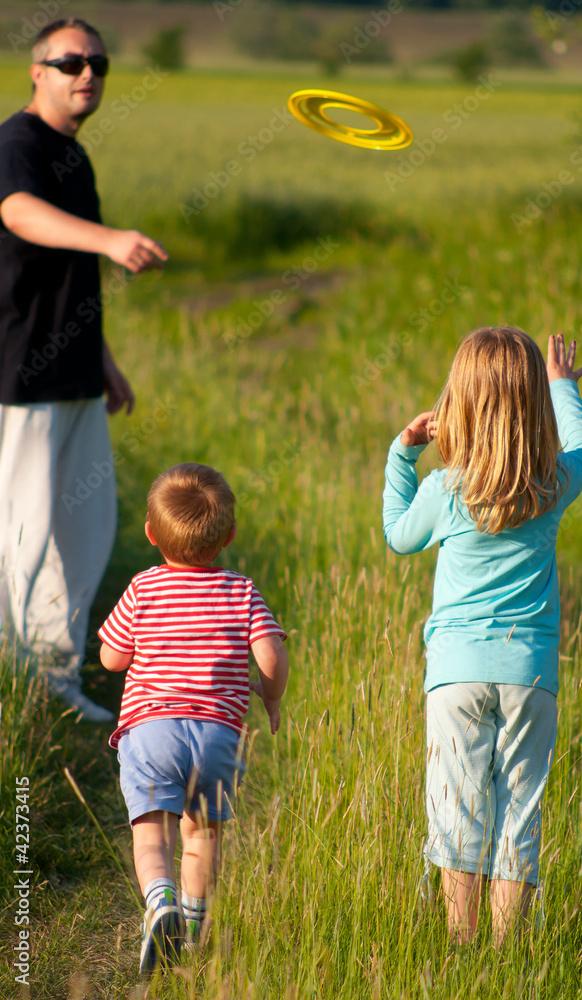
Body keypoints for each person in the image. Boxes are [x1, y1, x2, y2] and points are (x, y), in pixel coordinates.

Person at [382, 328, 582, 945]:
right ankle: (508, 952)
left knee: (458, 811)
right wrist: (563, 389)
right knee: (519, 811)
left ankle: (461, 941)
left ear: (460, 402)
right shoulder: (552, 481)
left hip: (455, 674)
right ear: (531, 403)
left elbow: (397, 535)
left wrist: (403, 452)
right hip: (531, 674)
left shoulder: (448, 489)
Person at [0, 18, 168, 721]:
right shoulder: (17, 144)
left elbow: (70, 276)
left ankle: (53, 679)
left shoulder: (75, 156)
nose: (87, 74)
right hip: (20, 377)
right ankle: (11, 683)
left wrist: (105, 361)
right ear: (37, 72)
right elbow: (17, 213)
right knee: (19, 530)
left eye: (97, 62)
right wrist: (111, 239)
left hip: (74, 374)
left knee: (85, 527)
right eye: (70, 62)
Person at [98, 463, 289, 973]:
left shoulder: (142, 588)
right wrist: (270, 697)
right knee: (201, 835)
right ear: (229, 535)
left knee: (151, 833)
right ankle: (193, 928)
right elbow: (271, 658)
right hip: (217, 737)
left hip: (152, 730)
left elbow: (113, 659)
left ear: (150, 534)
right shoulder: (242, 591)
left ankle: (159, 902)